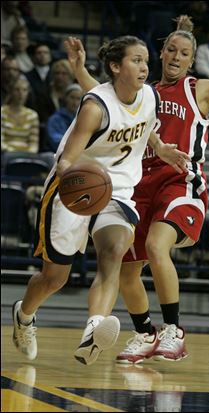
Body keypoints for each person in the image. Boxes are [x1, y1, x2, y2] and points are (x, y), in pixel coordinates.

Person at [67, 15, 209, 364]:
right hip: (140, 186)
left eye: (183, 52)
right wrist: (80, 70)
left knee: (158, 246)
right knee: (127, 270)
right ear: (161, 53)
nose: (175, 56)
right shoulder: (145, 93)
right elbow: (103, 97)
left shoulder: (198, 89)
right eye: (170, 49)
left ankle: (174, 330)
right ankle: (145, 333)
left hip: (180, 183)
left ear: (191, 59)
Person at [11, 34, 190, 366]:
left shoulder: (149, 95)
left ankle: (94, 328)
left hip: (118, 190)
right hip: (74, 187)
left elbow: (144, 123)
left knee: (113, 252)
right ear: (115, 66)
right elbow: (66, 159)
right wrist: (70, 174)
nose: (144, 67)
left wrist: (161, 148)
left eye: (146, 61)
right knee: (55, 278)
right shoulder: (95, 107)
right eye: (136, 60)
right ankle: (24, 314)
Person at [1, 77, 39, 153]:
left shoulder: (33, 115)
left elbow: (34, 144)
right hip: (6, 153)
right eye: (17, 90)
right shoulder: (2, 112)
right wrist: (15, 152)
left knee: (49, 157)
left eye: (24, 90)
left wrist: (28, 153)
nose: (21, 93)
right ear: (11, 92)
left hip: (27, 154)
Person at [46, 83, 83, 152]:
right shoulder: (55, 119)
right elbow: (55, 141)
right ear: (65, 98)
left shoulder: (84, 120)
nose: (75, 102)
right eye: (72, 97)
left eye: (78, 99)